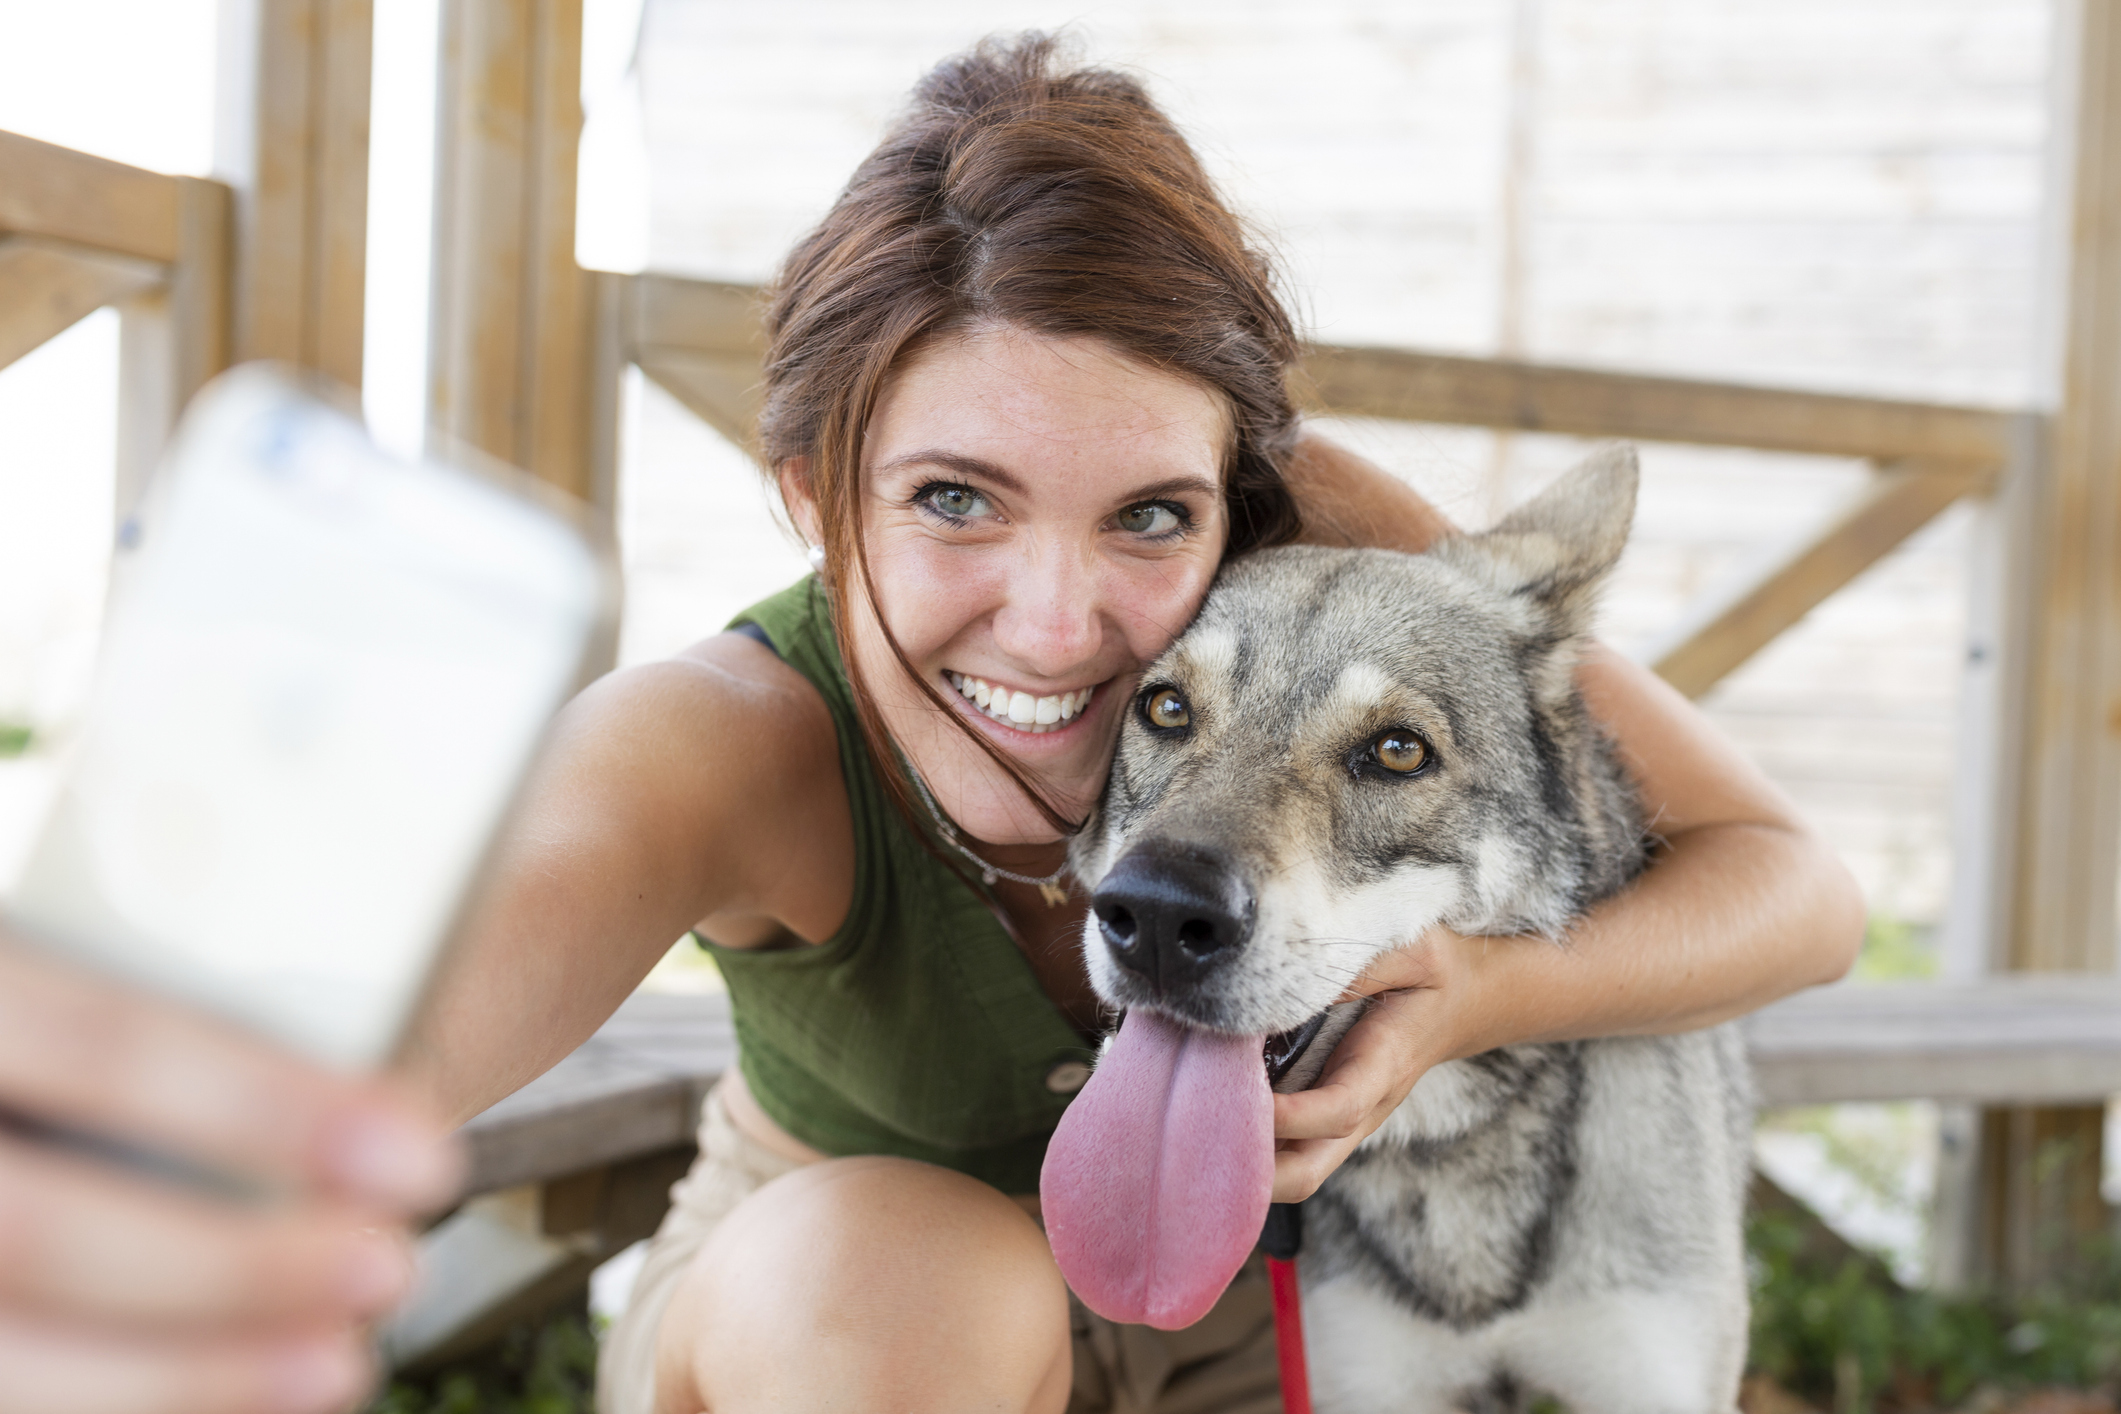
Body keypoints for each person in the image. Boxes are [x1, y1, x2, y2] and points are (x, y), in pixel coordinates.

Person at [0, 34, 1862, 1414]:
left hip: (1272, 1328)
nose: (1054, 626)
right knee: (915, 1283)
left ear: (1237, 497)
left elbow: (1793, 887)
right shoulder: (721, 740)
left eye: (1147, 516)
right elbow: (318, 1052)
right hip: (843, 1346)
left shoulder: (1322, 551)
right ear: (814, 497)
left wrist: (1469, 993)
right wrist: (106, 1169)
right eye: (954, 499)